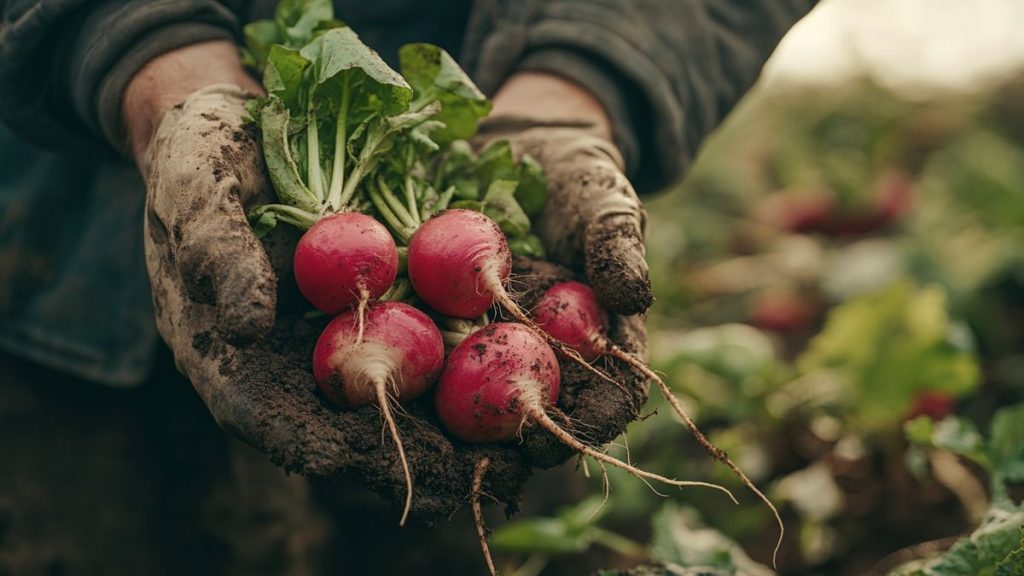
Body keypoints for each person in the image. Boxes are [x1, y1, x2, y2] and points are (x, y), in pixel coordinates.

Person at [0, 1, 816, 573]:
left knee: (461, 495)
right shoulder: (370, 271)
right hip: (54, 261)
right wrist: (144, 53)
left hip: (452, 408)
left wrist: (578, 83)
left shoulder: (437, 270)